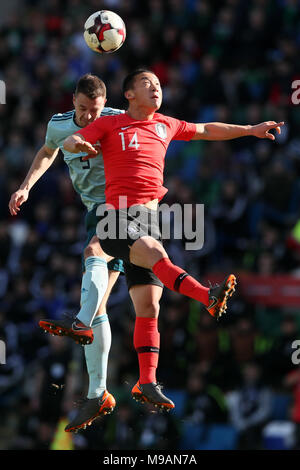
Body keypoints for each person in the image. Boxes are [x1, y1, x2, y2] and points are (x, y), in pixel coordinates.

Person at [63, 68, 284, 410]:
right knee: (155, 255)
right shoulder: (110, 124)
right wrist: (78, 142)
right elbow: (72, 140)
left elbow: (208, 129)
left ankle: (146, 381)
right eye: (147, 83)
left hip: (148, 219)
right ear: (129, 94)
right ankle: (206, 295)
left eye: (159, 84)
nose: (156, 89)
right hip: (115, 215)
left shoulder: (166, 124)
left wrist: (250, 130)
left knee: (150, 306)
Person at [8, 74, 125, 432]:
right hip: (97, 211)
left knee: (93, 251)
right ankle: (98, 391)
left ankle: (79, 323)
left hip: (123, 206)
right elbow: (47, 151)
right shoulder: (59, 126)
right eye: (83, 109)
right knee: (101, 303)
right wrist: (26, 186)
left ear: (105, 105)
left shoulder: (118, 120)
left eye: (95, 110)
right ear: (73, 101)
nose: (89, 117)